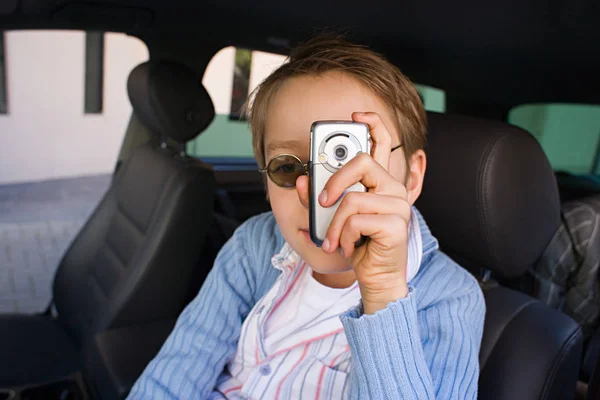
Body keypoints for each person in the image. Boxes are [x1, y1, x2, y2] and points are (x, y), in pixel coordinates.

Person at [128, 36, 485, 399]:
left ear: (410, 178)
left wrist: (382, 293)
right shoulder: (254, 245)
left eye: (348, 162)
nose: (316, 193)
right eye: (285, 167)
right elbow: (179, 368)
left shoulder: (451, 297)